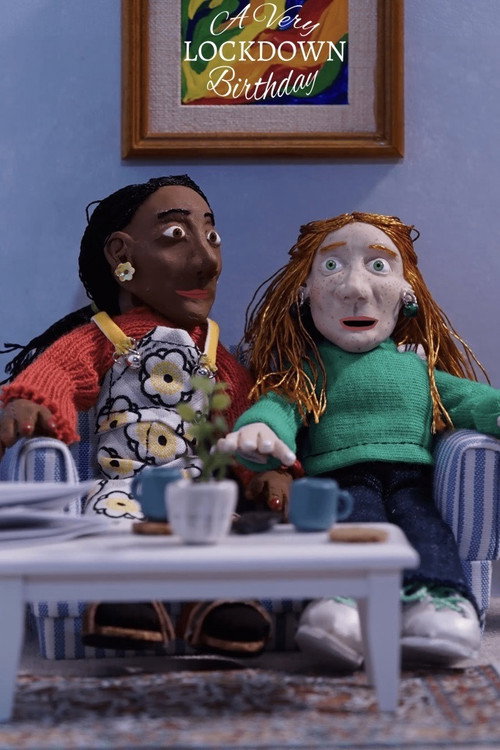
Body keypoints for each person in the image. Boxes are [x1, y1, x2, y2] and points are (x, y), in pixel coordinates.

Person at [0, 175, 274, 655]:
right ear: (121, 254)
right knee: (114, 525)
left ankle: (218, 603)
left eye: (212, 237)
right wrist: (32, 400)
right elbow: (58, 373)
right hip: (123, 484)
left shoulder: (213, 352)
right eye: (175, 235)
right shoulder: (105, 337)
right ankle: (128, 596)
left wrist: (266, 469)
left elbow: (245, 420)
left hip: (196, 487)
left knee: (221, 532)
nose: (208, 260)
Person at [218, 211, 500, 668]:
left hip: (412, 478)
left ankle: (438, 601)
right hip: (338, 481)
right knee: (350, 528)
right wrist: (261, 429)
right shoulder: (312, 369)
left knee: (424, 528)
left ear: (407, 290)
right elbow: (282, 404)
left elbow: (469, 399)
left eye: (379, 266)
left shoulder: (417, 367)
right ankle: (342, 601)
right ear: (305, 292)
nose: (355, 288)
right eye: (331, 266)